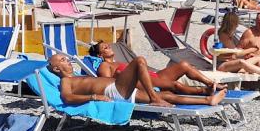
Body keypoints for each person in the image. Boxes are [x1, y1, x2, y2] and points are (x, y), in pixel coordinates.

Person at [85, 41, 226, 105]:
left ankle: (210, 84)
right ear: (100, 55)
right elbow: (108, 83)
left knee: (184, 65)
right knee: (174, 85)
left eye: (108, 45)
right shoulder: (104, 65)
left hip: (153, 76)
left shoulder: (118, 61)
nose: (109, 46)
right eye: (105, 47)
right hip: (141, 83)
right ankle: (204, 92)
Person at [47, 51, 199, 107]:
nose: (67, 60)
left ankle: (207, 100)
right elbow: (67, 97)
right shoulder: (65, 81)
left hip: (120, 89)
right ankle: (154, 98)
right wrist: (93, 97)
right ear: (56, 69)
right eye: (62, 60)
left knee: (167, 95)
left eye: (66, 58)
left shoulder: (77, 77)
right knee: (139, 61)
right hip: (114, 91)